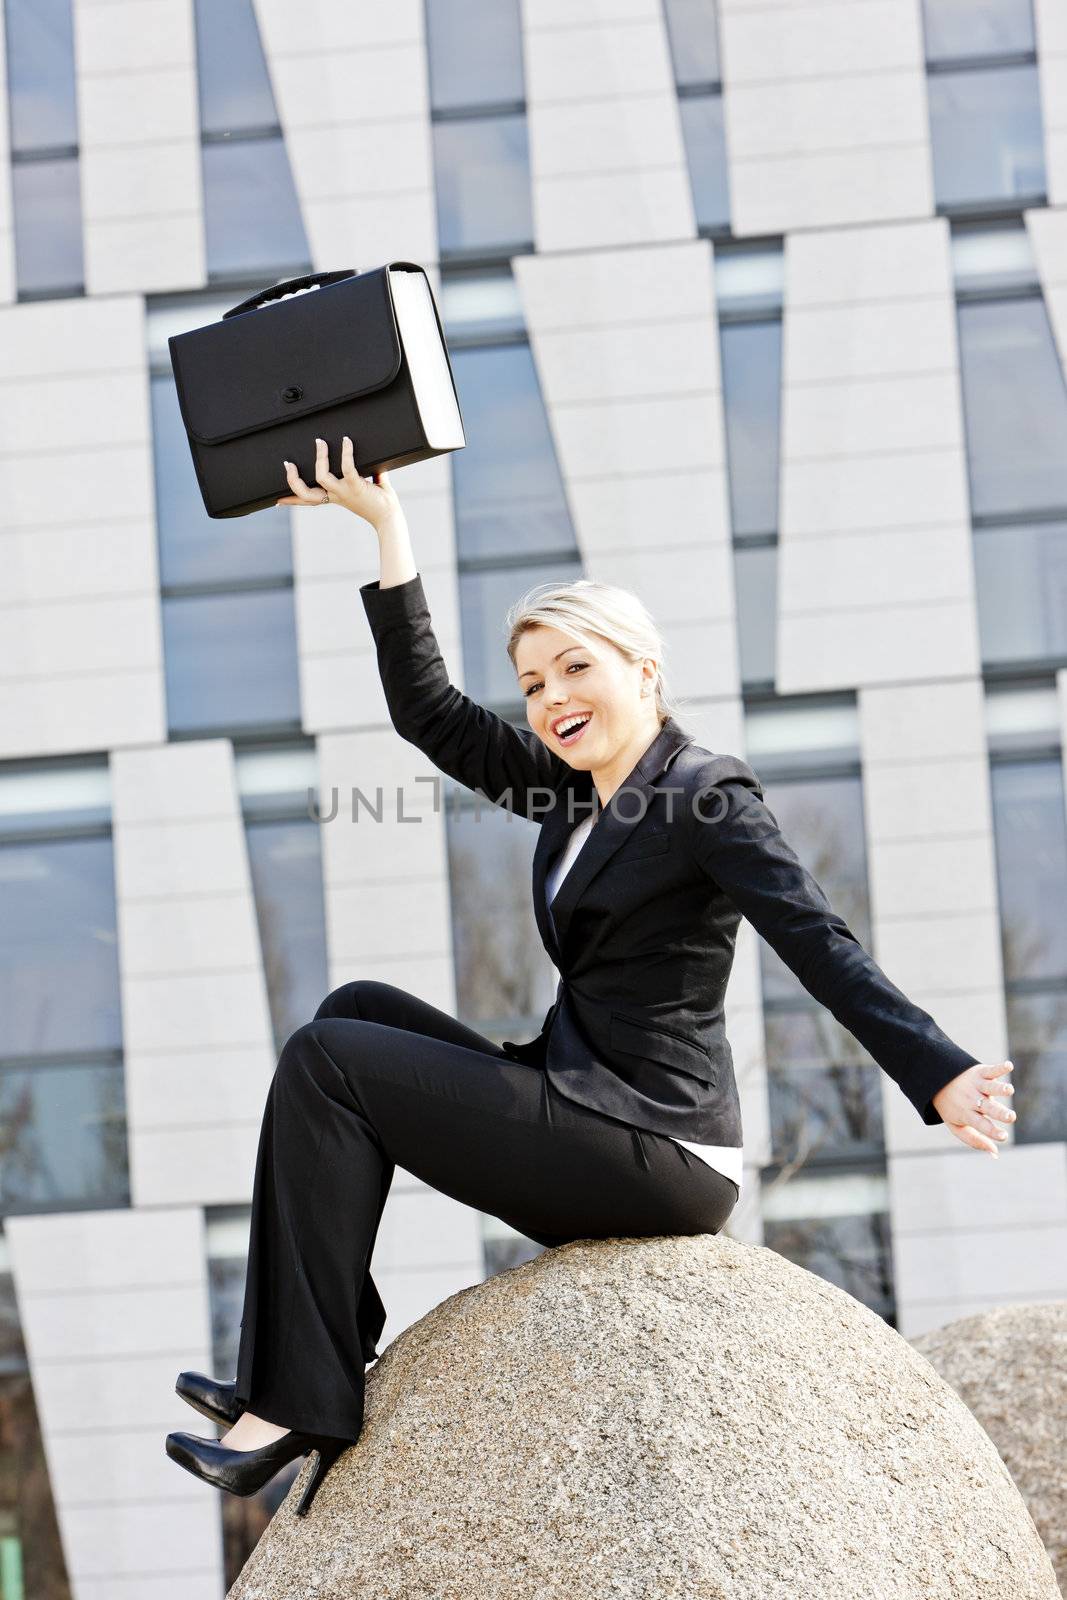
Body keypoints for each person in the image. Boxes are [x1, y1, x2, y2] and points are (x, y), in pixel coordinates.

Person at [165, 436, 1016, 1515]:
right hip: (583, 1103)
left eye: (576, 667)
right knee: (351, 1015)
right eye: (532, 682)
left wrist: (935, 1073)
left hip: (658, 1148)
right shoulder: (574, 786)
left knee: (329, 1059)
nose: (551, 697)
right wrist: (387, 532)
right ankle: (302, 1358)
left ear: (642, 669)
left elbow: (817, 939)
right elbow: (430, 713)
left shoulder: (706, 797)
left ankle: (297, 1398)